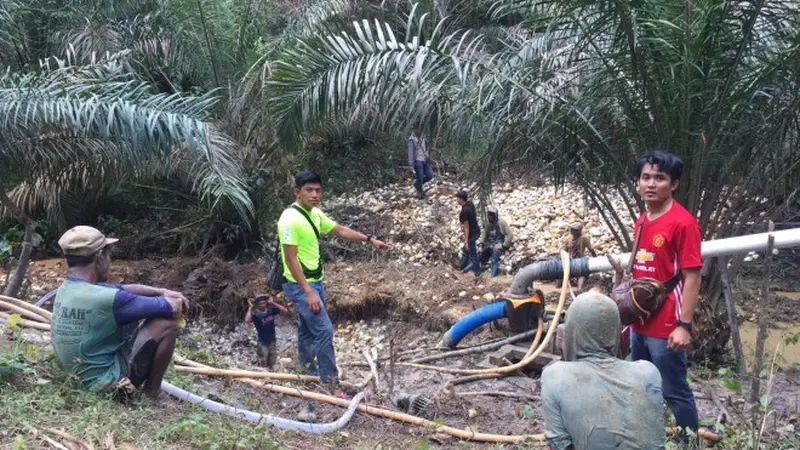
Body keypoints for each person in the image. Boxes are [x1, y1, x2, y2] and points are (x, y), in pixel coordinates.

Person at [278, 169, 390, 400]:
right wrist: (308, 292)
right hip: (301, 286)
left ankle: (306, 369)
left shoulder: (314, 214)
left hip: (314, 282)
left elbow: (339, 230)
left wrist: (369, 240)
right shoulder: (290, 219)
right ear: (297, 191)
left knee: (308, 328)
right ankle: (330, 383)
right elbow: (290, 258)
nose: (314, 194)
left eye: (318, 190)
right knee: (324, 330)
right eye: (309, 190)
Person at [50, 226, 189, 399]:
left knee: (131, 315)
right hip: (107, 383)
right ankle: (153, 392)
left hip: (76, 377)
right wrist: (175, 299)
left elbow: (122, 288)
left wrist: (160, 291)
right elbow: (173, 308)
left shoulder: (68, 288)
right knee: (167, 323)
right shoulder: (109, 299)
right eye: (108, 255)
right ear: (99, 256)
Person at [629, 150, 702, 441]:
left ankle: (688, 443)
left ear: (673, 184)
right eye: (645, 177)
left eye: (659, 178)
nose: (651, 183)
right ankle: (649, 439)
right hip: (639, 321)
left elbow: (693, 275)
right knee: (642, 385)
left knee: (674, 390)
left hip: (667, 324)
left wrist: (684, 326)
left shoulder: (682, 223)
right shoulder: (643, 219)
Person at [541, 292, 665, 450]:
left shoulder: (554, 376)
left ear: (571, 331)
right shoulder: (648, 372)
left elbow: (559, 446)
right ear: (616, 332)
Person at [245, 294, 289, 368]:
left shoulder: (270, 310)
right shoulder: (256, 314)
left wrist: (273, 303)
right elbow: (247, 320)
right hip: (262, 342)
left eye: (264, 303)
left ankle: (271, 375)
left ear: (266, 303)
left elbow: (285, 311)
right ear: (257, 305)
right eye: (260, 304)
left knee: (272, 361)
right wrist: (250, 308)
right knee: (262, 362)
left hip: (272, 340)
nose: (262, 305)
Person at [560, 222, 597, 292]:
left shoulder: (584, 238)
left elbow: (591, 249)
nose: (573, 231)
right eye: (572, 230)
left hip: (580, 260)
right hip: (570, 260)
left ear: (580, 231)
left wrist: (595, 258)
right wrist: (564, 259)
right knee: (561, 272)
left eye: (575, 230)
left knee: (582, 273)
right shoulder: (567, 239)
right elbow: (563, 251)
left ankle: (579, 289)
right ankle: (560, 286)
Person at [478, 206, 513, 277]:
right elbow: (484, 234)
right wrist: (481, 244)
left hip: (498, 243)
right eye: (488, 215)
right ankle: (479, 271)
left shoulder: (502, 222)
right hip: (489, 243)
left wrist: (504, 245)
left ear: (495, 215)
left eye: (491, 215)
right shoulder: (488, 223)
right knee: (482, 254)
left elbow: (510, 235)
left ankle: (493, 276)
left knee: (494, 256)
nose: (489, 217)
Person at [455, 190, 481, 277]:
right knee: (466, 251)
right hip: (477, 231)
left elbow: (466, 227)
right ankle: (462, 268)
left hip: (471, 235)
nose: (456, 200)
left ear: (461, 199)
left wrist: (466, 241)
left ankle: (477, 273)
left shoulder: (464, 212)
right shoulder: (470, 204)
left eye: (457, 198)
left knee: (473, 255)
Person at [407, 123, 433, 199]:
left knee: (430, 175)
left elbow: (426, 148)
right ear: (414, 130)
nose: (418, 130)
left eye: (419, 129)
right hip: (417, 161)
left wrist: (427, 156)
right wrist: (411, 164)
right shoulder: (412, 140)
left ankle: (417, 185)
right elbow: (410, 153)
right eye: (416, 129)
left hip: (425, 159)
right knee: (420, 178)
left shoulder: (424, 137)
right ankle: (420, 192)